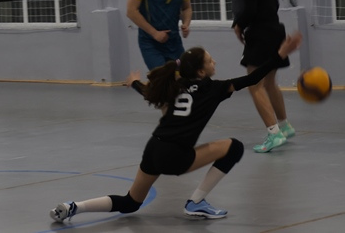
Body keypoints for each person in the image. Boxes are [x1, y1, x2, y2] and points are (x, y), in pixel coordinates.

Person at [49, 31, 304, 224]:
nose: (215, 62)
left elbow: (148, 92)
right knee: (235, 147)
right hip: (176, 155)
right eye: (210, 60)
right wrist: (280, 54)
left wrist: (134, 83)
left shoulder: (175, 86)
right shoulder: (214, 88)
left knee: (130, 202)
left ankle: (75, 207)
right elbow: (253, 78)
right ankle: (196, 202)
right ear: (202, 72)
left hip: (153, 148)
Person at [230, 0, 294, 153]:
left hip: (260, 33)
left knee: (254, 84)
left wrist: (239, 24)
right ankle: (285, 126)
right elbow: (273, 2)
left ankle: (274, 134)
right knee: (269, 82)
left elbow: (251, 7)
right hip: (275, 28)